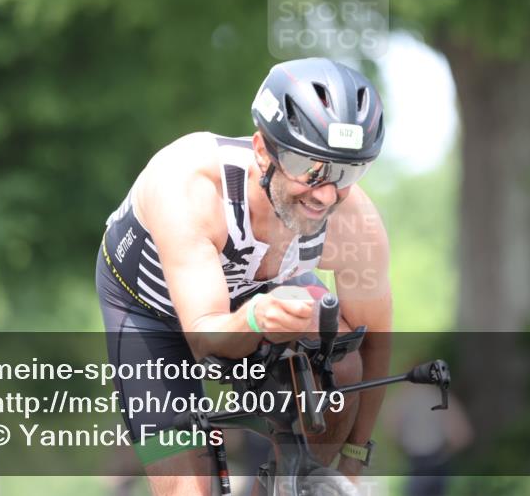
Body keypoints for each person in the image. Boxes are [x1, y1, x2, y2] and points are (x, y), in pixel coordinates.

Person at [95, 57, 393, 496]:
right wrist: (254, 318)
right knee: (188, 491)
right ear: (261, 149)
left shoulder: (355, 221)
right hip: (152, 315)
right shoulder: (191, 184)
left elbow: (374, 341)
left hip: (258, 294)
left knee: (342, 361)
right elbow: (203, 336)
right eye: (310, 168)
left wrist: (354, 455)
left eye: (347, 171)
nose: (326, 193)